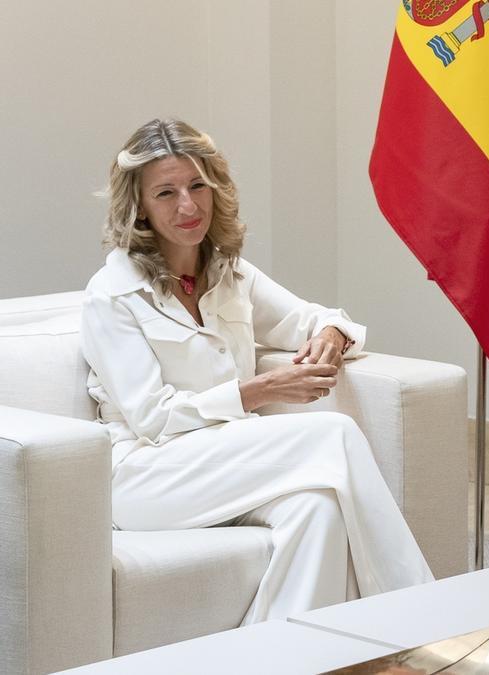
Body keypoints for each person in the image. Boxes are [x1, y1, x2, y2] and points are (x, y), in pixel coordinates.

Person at [81, 118, 433, 624]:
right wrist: (259, 390)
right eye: (166, 193)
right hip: (144, 478)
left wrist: (331, 337)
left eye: (197, 185)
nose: (188, 205)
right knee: (332, 434)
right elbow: (152, 421)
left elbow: (321, 318)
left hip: (228, 464)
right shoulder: (111, 295)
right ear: (138, 207)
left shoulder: (229, 272)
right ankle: (423, 621)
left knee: (318, 512)